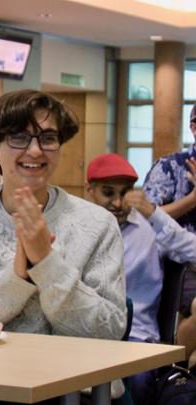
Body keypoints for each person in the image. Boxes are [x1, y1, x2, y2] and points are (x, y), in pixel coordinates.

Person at [0, 89, 126, 404]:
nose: (35, 151)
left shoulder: (97, 223)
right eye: (18, 138)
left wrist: (46, 264)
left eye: (48, 138)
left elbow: (109, 328)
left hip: (66, 390)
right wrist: (17, 276)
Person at [86, 153, 196, 404]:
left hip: (138, 340)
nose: (117, 202)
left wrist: (155, 214)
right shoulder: (76, 228)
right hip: (86, 337)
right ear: (89, 190)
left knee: (136, 378)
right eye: (108, 193)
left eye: (124, 192)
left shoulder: (149, 228)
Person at [143, 105, 196, 330]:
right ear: (194, 128)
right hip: (182, 266)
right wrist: (193, 199)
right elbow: (144, 216)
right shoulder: (171, 166)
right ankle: (178, 361)